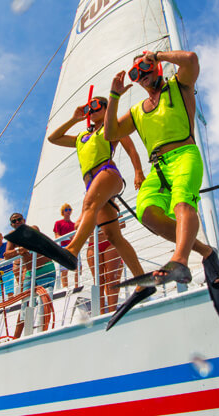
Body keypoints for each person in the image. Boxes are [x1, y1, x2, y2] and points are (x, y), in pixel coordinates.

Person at [102, 49, 219, 329]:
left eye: (145, 68)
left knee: (183, 204)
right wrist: (114, 95)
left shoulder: (179, 87)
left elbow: (192, 60)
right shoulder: (137, 111)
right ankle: (205, 251)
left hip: (184, 153)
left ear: (156, 68)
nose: (142, 75)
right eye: (136, 73)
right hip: (158, 167)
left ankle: (179, 260)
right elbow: (111, 134)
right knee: (147, 214)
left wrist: (158, 55)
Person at [45, 94, 149, 293]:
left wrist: (138, 172)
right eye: (88, 108)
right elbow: (53, 138)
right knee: (113, 236)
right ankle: (141, 280)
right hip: (93, 184)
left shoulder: (111, 128)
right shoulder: (81, 138)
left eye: (96, 106)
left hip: (108, 173)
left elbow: (131, 149)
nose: (91, 110)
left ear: (106, 108)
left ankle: (72, 250)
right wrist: (74, 119)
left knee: (88, 204)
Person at [5, 212, 56, 337]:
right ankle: (16, 338)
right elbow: (6, 255)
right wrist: (18, 250)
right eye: (14, 221)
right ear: (11, 225)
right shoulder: (12, 237)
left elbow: (34, 238)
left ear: (24, 220)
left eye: (19, 219)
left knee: (44, 304)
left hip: (45, 270)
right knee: (25, 307)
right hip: (29, 272)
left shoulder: (32, 228)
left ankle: (43, 334)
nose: (17, 222)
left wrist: (22, 247)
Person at [85, 221, 124, 314]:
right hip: (93, 244)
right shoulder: (88, 208)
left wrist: (101, 228)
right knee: (98, 281)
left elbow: (122, 223)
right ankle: (100, 314)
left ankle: (112, 313)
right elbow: (77, 226)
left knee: (112, 279)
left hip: (110, 242)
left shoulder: (112, 206)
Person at [53, 203, 79, 288]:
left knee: (78, 268)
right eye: (66, 210)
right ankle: (65, 288)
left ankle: (77, 286)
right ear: (63, 212)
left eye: (69, 209)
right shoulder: (58, 223)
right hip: (64, 247)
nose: (68, 211)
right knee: (64, 270)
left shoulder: (74, 224)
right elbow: (57, 236)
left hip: (74, 247)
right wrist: (68, 238)